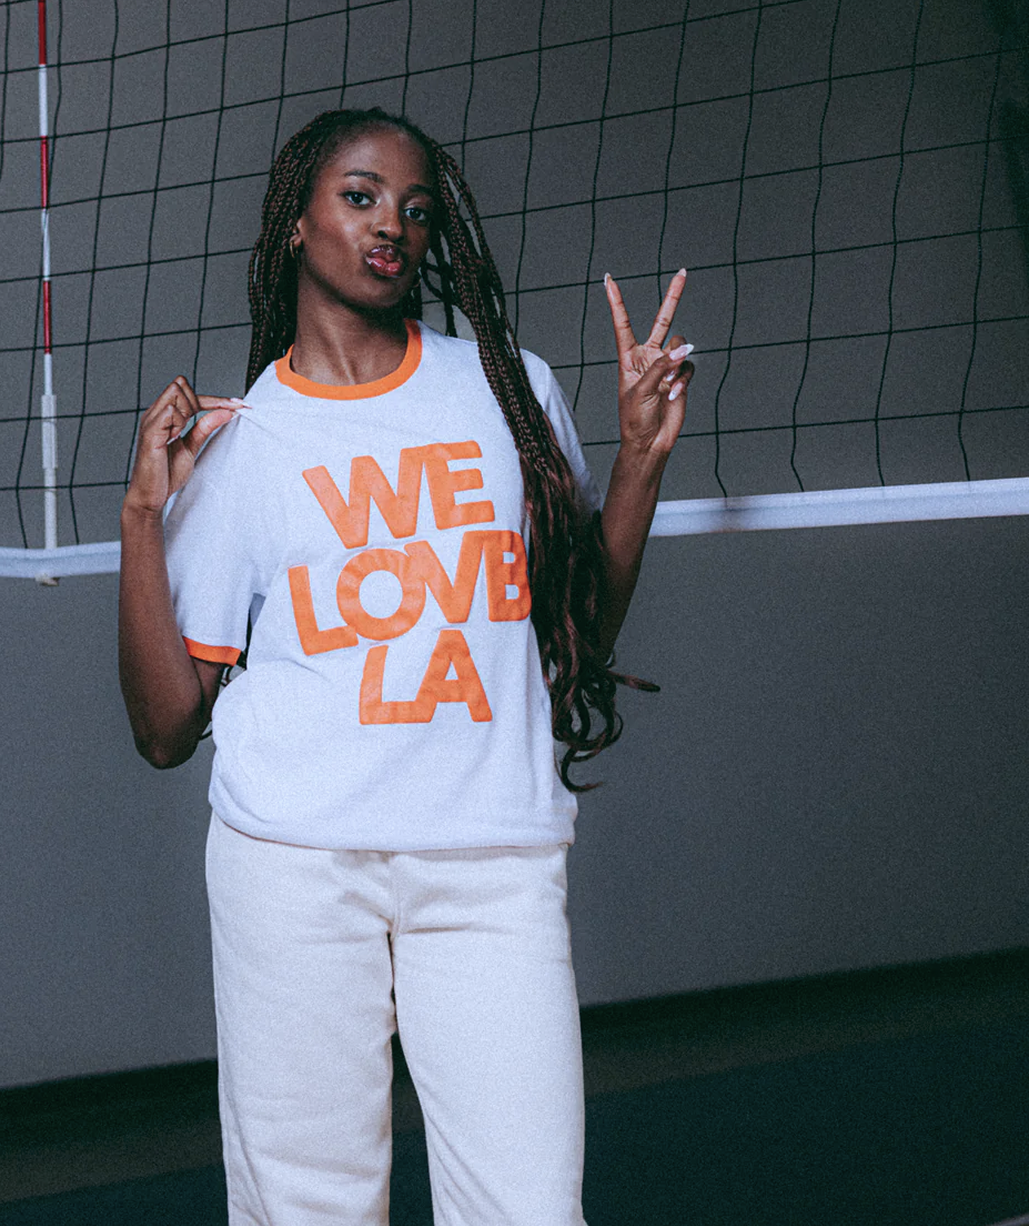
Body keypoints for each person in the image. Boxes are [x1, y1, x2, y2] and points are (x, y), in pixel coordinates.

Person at [118, 107, 693, 1226]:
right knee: (307, 1208)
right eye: (363, 195)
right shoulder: (244, 442)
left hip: (488, 858)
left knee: (527, 1206)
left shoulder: (508, 391)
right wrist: (145, 514)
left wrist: (637, 462)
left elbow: (576, 635)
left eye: (417, 209)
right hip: (294, 868)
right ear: (295, 220)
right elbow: (163, 729)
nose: (395, 225)